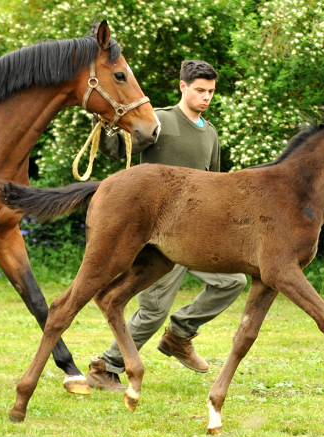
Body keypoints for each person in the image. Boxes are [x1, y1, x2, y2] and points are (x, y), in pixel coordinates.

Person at [86, 60, 247, 391]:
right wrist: (103, 122)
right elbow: (116, 150)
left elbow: (215, 183)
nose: (206, 97)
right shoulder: (160, 121)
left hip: (199, 234)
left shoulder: (211, 133)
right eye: (200, 90)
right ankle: (106, 367)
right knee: (153, 310)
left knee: (232, 280)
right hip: (158, 234)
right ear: (183, 87)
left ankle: (180, 335)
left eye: (211, 92)